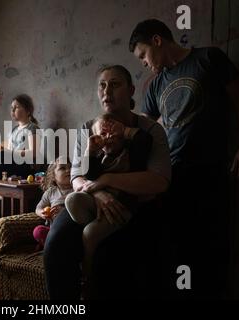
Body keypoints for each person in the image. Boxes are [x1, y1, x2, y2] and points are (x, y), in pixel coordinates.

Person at [129, 18, 239, 298]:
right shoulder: (155, 86)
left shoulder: (208, 59)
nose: (144, 63)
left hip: (211, 171)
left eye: (143, 55)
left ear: (157, 40)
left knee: (212, 249)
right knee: (177, 249)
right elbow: (144, 131)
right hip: (173, 176)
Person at [43, 64, 171, 299]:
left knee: (109, 255)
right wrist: (98, 192)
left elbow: (158, 181)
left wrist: (107, 179)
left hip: (136, 205)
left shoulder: (150, 130)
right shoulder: (88, 128)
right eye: (102, 85)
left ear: (131, 90)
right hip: (90, 199)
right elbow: (77, 175)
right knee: (55, 245)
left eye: (115, 84)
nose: (106, 91)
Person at [65, 112, 152, 282]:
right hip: (98, 204)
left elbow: (146, 141)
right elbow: (89, 175)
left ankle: (87, 274)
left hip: (123, 206)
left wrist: (125, 131)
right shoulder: (99, 157)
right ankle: (97, 226)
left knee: (90, 234)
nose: (109, 136)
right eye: (102, 134)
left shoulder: (130, 152)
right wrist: (90, 150)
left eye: (113, 131)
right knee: (71, 200)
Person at [0, 94, 41, 206]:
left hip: (25, 166)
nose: (12, 110)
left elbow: (33, 153)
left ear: (28, 110)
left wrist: (8, 153)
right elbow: (10, 149)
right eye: (11, 107)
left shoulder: (32, 128)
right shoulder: (14, 130)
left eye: (16, 107)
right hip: (13, 163)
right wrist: (1, 148)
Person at [33, 157, 73, 250]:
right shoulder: (51, 192)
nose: (68, 170)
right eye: (62, 168)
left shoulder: (76, 190)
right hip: (53, 231)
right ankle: (51, 245)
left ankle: (52, 246)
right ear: (53, 177)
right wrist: (43, 213)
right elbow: (38, 208)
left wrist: (64, 213)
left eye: (70, 167)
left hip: (70, 230)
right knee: (38, 231)